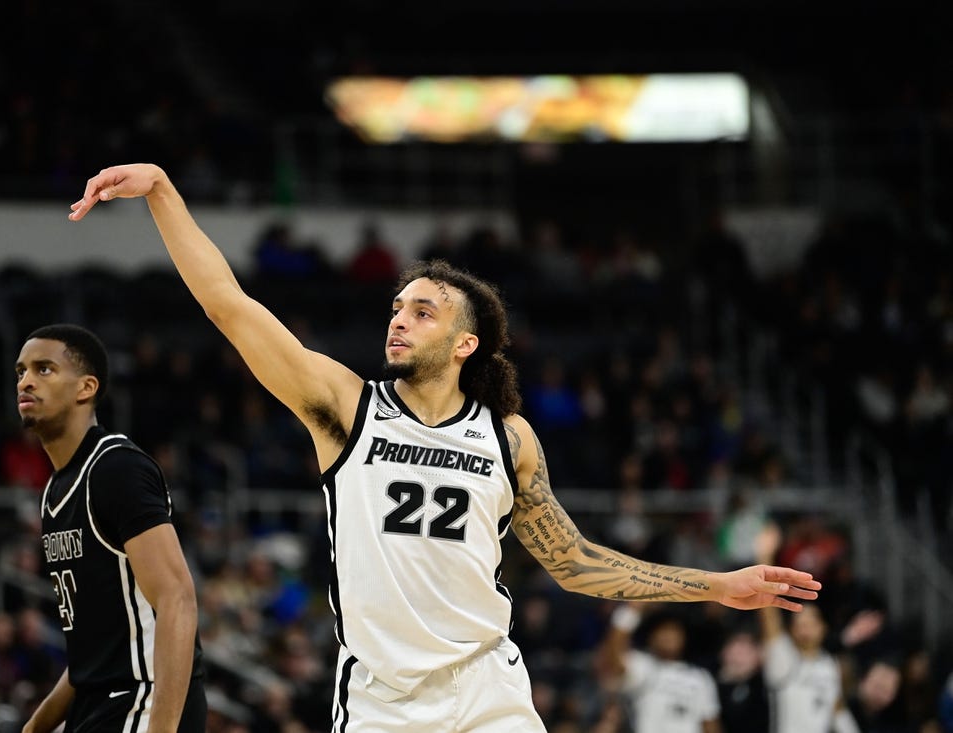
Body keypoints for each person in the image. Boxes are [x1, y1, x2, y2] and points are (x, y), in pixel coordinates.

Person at [67, 164, 822, 733]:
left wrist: (715, 586)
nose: (398, 320)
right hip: (381, 703)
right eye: (396, 308)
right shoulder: (345, 408)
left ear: (465, 342)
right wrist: (163, 192)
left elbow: (576, 561)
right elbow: (229, 307)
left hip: (487, 691)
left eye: (421, 311)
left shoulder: (508, 436)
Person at [14, 324, 206, 733]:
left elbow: (178, 599)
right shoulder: (54, 492)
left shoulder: (116, 468)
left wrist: (163, 728)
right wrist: (35, 725)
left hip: (143, 700)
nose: (26, 381)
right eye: (21, 372)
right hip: (98, 705)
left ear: (86, 388)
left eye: (44, 369)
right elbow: (96, 649)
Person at [755, 525, 858, 733]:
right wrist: (763, 556)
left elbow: (837, 710)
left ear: (823, 628)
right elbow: (768, 615)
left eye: (811, 623)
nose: (806, 629)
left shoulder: (829, 664)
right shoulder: (783, 658)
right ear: (792, 631)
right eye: (800, 625)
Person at [600, 604, 722, 733]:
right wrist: (630, 611)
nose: (669, 636)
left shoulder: (700, 677)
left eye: (675, 631)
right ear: (651, 637)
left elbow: (710, 723)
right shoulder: (643, 666)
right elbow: (615, 655)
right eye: (663, 631)